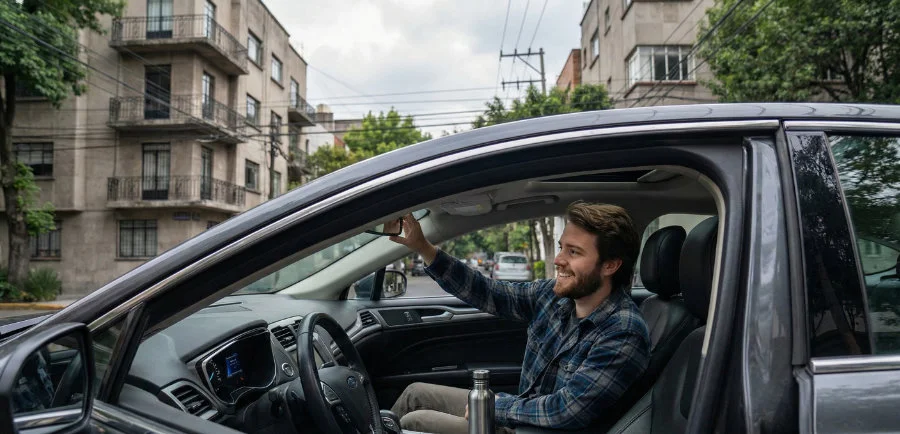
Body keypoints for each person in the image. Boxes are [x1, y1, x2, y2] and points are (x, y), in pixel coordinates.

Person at [387, 202, 650, 433]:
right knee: (415, 394)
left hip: (538, 430)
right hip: (520, 417)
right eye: (561, 248)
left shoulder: (624, 331)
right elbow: (489, 292)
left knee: (416, 420)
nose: (558, 260)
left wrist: (498, 407)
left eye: (574, 252)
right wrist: (423, 247)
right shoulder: (553, 296)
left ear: (610, 265)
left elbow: (567, 409)